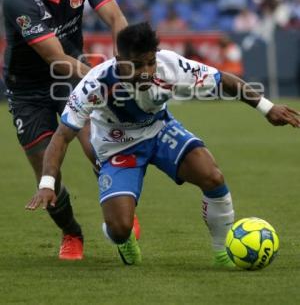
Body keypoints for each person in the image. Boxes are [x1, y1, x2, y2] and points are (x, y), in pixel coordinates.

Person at [26, 22, 300, 267]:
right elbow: (62, 136)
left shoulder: (170, 65)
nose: (146, 72)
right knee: (119, 228)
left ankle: (223, 252)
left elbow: (223, 80)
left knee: (212, 176)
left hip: (159, 131)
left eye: (150, 63)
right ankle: (124, 241)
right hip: (117, 148)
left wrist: (267, 107)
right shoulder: (94, 84)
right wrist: (47, 184)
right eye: (136, 65)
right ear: (119, 60)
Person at [3, 0, 129, 260]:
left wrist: (124, 65)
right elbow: (55, 58)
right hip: (28, 89)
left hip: (70, 78)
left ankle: (120, 212)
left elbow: (117, 19)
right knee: (48, 171)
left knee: (98, 146)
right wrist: (104, 80)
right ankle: (72, 233)